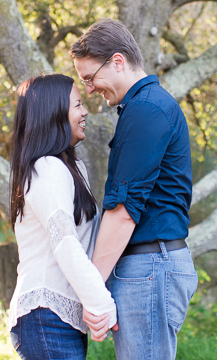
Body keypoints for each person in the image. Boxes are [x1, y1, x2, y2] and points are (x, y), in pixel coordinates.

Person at [71, 19, 197, 360]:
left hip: (151, 265)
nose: (91, 89)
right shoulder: (143, 108)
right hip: (151, 265)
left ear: (117, 61)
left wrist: (92, 288)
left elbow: (124, 210)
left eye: (90, 78)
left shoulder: (146, 110)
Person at [7, 73, 117, 360]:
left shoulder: (69, 168)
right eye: (77, 105)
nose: (84, 112)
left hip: (56, 320)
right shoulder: (47, 168)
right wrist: (100, 303)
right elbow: (65, 242)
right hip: (46, 316)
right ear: (53, 113)